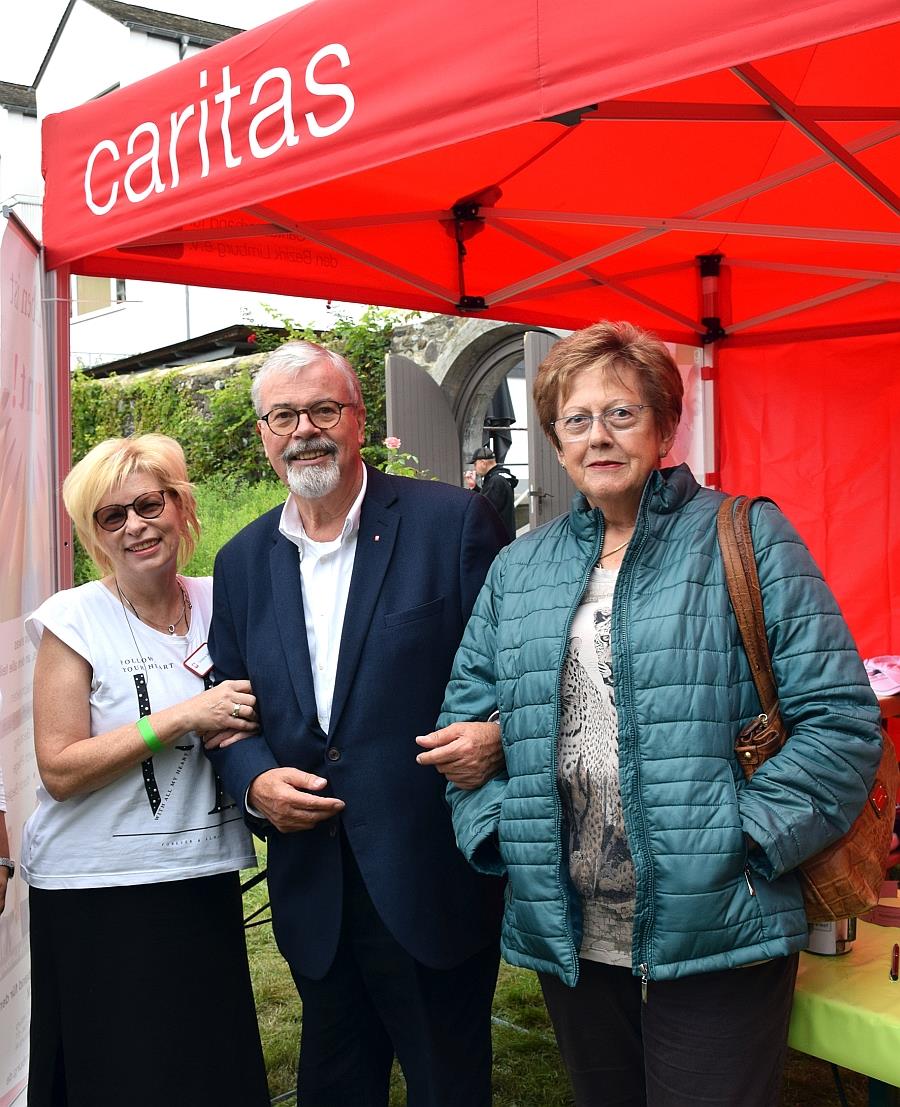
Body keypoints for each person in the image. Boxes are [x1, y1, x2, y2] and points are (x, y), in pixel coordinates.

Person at [434, 321, 884, 1106]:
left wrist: (744, 840)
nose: (598, 436)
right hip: (571, 921)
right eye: (577, 420)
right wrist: (500, 829)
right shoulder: (520, 566)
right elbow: (464, 722)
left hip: (718, 909)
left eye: (622, 413)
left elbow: (842, 720)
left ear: (665, 426)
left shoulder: (745, 535)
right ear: (556, 439)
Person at [206, 340, 508, 1107]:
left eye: (323, 409)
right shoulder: (241, 563)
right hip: (314, 888)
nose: (304, 428)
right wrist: (254, 781)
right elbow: (229, 708)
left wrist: (498, 733)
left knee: (449, 1085)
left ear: (360, 420)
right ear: (264, 434)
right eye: (284, 415)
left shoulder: (451, 522)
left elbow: (524, 666)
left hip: (428, 874)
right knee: (334, 1085)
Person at [22, 434, 269, 1107]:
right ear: (94, 536)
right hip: (97, 885)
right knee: (121, 1073)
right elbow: (60, 767)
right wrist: (185, 715)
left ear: (181, 506)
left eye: (148, 504)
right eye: (112, 516)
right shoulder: (73, 618)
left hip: (199, 872)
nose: (136, 525)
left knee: (206, 1064)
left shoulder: (223, 600)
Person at [471, 445, 518, 538]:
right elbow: (490, 500)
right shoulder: (500, 478)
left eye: (475, 464)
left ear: (483, 463)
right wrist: (475, 487)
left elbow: (485, 509)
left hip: (498, 539)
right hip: (505, 535)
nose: (474, 468)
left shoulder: (495, 481)